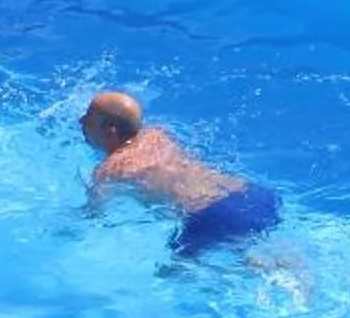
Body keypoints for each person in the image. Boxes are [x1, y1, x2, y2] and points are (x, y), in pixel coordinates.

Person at [78, 91, 280, 256]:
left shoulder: (109, 170)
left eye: (88, 118)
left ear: (110, 130)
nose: (81, 122)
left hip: (213, 215)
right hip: (251, 194)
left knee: (172, 273)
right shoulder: (157, 134)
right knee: (252, 246)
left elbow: (93, 216)